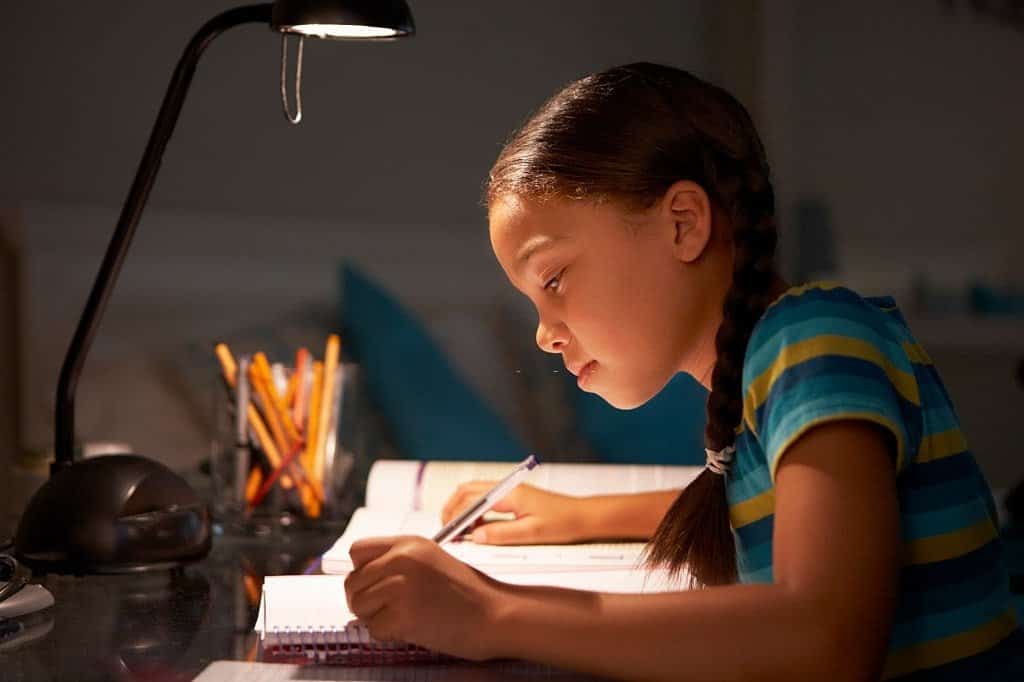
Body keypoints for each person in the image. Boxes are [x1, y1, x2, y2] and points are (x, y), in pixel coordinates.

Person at [343, 63, 1021, 681]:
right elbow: (775, 506)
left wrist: (492, 612)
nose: (545, 336)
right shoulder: (775, 360)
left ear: (682, 224)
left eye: (554, 279)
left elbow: (826, 637)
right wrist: (579, 516)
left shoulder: (817, 338)